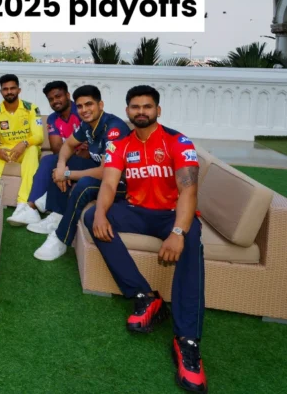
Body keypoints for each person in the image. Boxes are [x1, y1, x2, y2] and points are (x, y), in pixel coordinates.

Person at [83, 85, 207, 393]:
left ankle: (187, 341)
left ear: (157, 110)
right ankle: (144, 296)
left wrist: (177, 232)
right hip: (137, 212)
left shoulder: (178, 141)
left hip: (171, 216)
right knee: (92, 217)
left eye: (147, 106)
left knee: (192, 239)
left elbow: (189, 190)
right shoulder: (120, 145)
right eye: (135, 107)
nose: (141, 111)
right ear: (127, 111)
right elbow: (109, 184)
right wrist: (100, 214)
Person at [29, 85, 130, 261]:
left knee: (84, 183)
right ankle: (57, 214)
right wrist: (61, 166)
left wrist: (67, 175)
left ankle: (61, 238)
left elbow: (106, 172)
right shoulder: (87, 125)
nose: (84, 110)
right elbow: (68, 145)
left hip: (119, 183)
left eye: (89, 104)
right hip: (102, 174)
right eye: (80, 106)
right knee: (58, 161)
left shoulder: (114, 128)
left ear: (100, 105)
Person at [12, 80, 86, 225]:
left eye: (58, 96)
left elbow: (88, 148)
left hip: (87, 159)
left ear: (68, 95)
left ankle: (33, 207)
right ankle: (33, 207)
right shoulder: (53, 118)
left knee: (49, 161)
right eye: (51, 99)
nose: (55, 101)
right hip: (67, 157)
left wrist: (67, 159)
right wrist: (69, 156)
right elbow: (56, 148)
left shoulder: (81, 112)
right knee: (48, 160)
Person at [0, 74, 44, 225]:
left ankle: (23, 204)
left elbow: (39, 136)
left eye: (12, 88)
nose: (9, 92)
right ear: (1, 92)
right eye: (5, 89)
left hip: (27, 148)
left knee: (32, 151)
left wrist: (24, 143)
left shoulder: (31, 108)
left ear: (19, 90)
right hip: (7, 150)